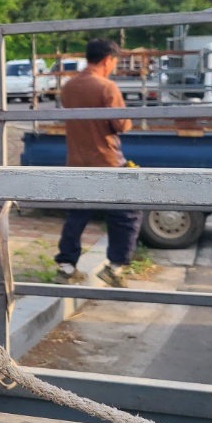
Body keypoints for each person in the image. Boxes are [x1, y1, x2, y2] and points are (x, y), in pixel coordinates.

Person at [53, 38, 140, 288]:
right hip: (107, 160)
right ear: (107, 59)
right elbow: (121, 125)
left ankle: (66, 266)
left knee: (77, 215)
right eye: (114, 61)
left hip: (77, 160)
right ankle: (115, 266)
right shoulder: (107, 87)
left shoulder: (69, 86)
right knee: (127, 213)